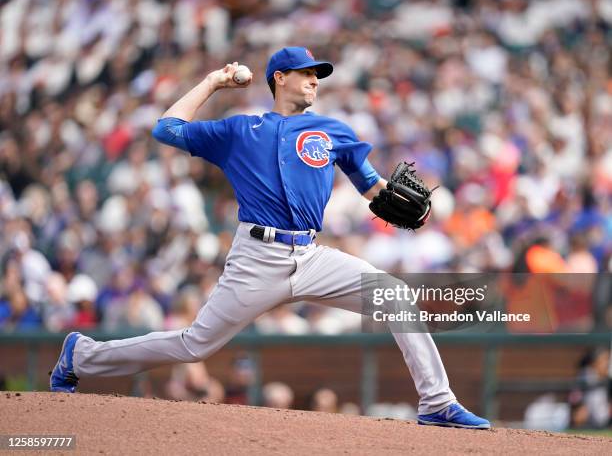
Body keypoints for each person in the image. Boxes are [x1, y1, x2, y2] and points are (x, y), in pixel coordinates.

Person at [50, 46, 490, 429]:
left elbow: (372, 187)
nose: (315, 80)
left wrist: (393, 200)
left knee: (393, 295)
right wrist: (213, 82)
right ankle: (81, 355)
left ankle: (438, 402)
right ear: (280, 78)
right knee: (195, 344)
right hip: (257, 258)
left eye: (318, 74)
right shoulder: (238, 130)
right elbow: (166, 128)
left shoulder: (332, 131)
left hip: (312, 256)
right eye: (307, 73)